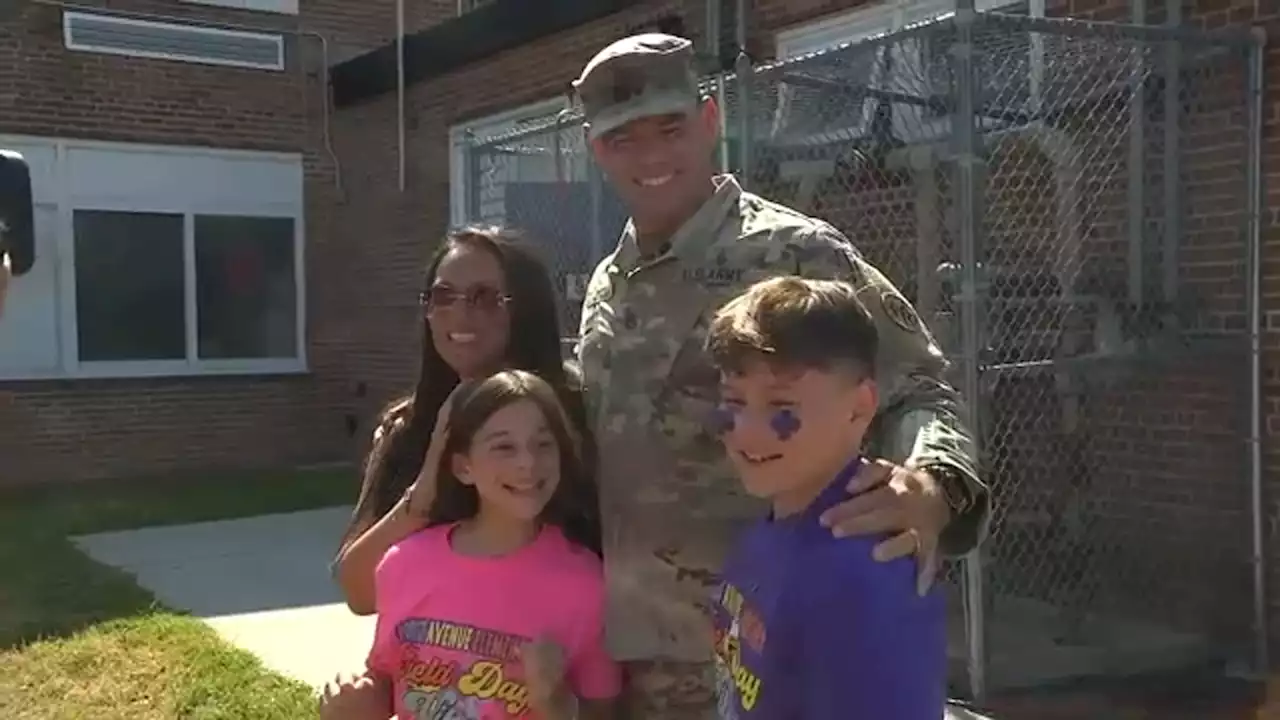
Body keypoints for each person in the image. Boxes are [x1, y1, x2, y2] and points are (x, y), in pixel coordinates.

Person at [570, 32, 989, 715]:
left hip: (762, 651)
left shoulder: (794, 252)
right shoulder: (607, 282)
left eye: (670, 128)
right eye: (623, 138)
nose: (650, 155)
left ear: (710, 121)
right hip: (629, 651)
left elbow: (920, 384)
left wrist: (932, 484)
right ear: (597, 150)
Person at [705, 276, 947, 718]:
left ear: (859, 407)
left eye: (783, 410)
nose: (747, 432)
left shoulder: (861, 574)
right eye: (733, 403)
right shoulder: (772, 527)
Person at [332, 225, 597, 616]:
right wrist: (424, 492)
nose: (459, 314)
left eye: (484, 298)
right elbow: (360, 594)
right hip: (437, 665)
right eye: (442, 297)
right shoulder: (408, 428)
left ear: (526, 309)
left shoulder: (580, 415)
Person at [348, 369, 621, 719]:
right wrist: (353, 702)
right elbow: (385, 680)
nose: (527, 463)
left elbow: (604, 711)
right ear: (463, 468)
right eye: (504, 447)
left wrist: (556, 702)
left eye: (543, 444)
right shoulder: (404, 563)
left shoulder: (586, 583)